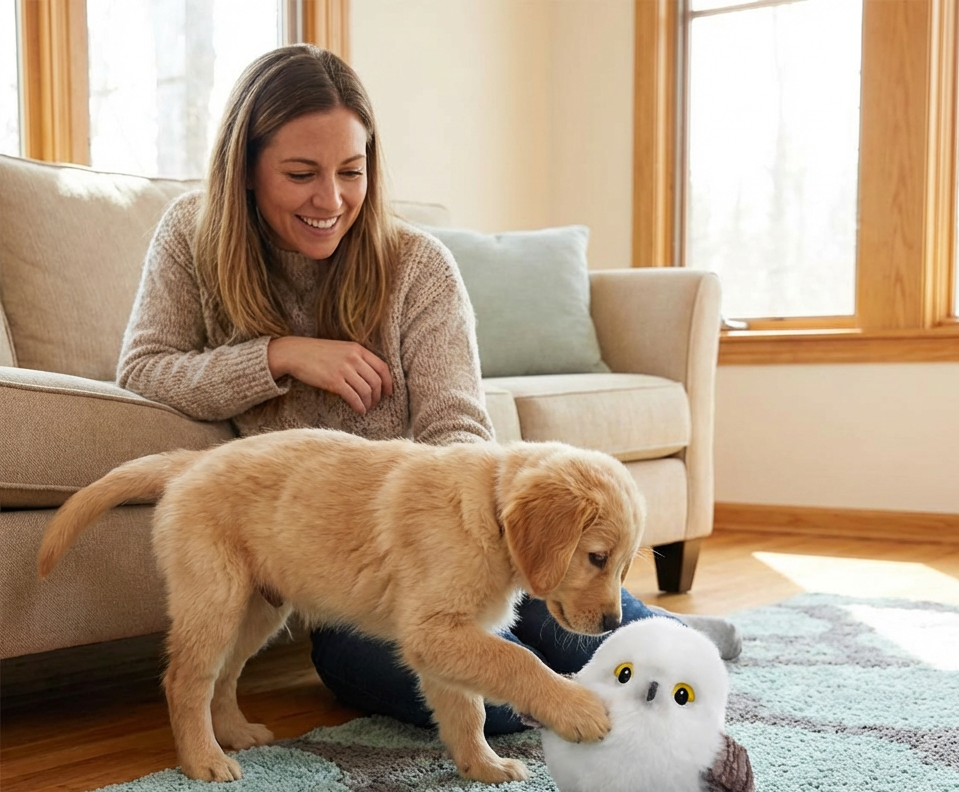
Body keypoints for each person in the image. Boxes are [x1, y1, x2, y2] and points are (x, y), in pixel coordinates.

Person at [118, 44, 740, 735]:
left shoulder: (419, 266)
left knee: (560, 618)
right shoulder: (189, 235)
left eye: (351, 172)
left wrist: (460, 550)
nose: (331, 200)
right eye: (301, 174)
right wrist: (279, 356)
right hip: (333, 561)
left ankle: (668, 645)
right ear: (246, 170)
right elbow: (145, 368)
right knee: (495, 705)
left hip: (449, 541)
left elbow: (457, 428)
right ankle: (635, 656)